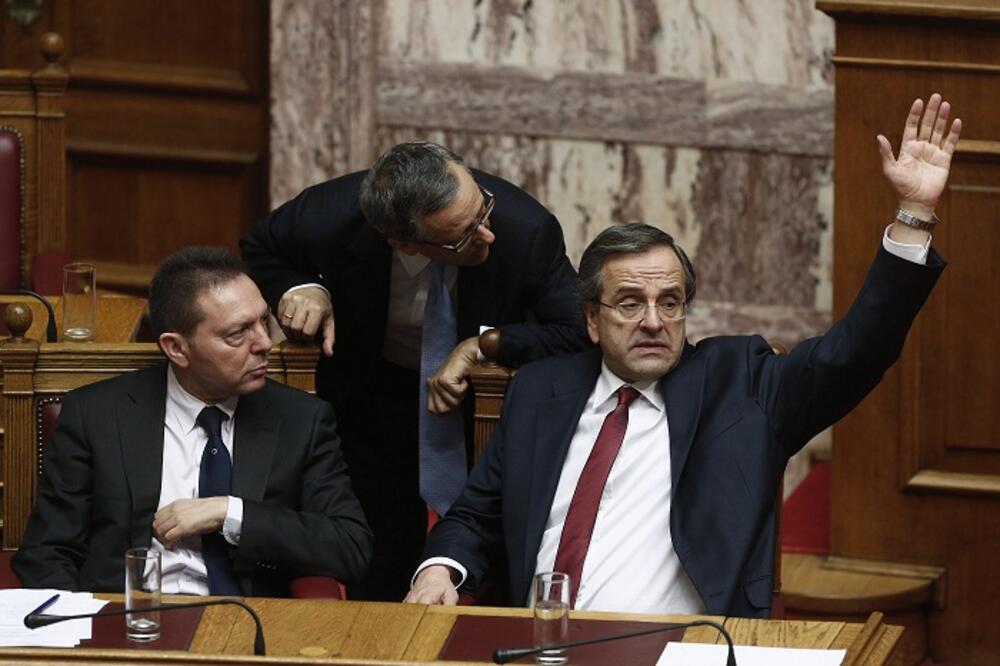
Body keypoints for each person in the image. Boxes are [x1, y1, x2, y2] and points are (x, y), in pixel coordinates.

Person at [404, 93, 960, 617]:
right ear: (592, 320)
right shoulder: (539, 389)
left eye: (670, 302)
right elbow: (476, 515)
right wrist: (438, 570)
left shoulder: (741, 383)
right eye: (630, 303)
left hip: (679, 647)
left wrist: (912, 213)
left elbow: (855, 354)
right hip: (539, 643)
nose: (653, 320)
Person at [240, 141, 590, 600]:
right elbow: (259, 245)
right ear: (401, 241)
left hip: (482, 402)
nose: (487, 235)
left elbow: (577, 330)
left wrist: (486, 345)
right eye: (462, 237)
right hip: (371, 389)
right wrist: (302, 287)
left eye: (482, 209)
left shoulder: (525, 228)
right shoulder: (333, 214)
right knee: (380, 547)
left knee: (487, 540)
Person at [13, 247, 373, 596]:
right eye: (238, 333)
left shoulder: (301, 420)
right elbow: (47, 553)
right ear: (176, 348)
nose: (264, 343)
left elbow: (351, 547)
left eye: (264, 321)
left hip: (246, 623)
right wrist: (86, 633)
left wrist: (231, 513)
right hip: (127, 623)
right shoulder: (97, 415)